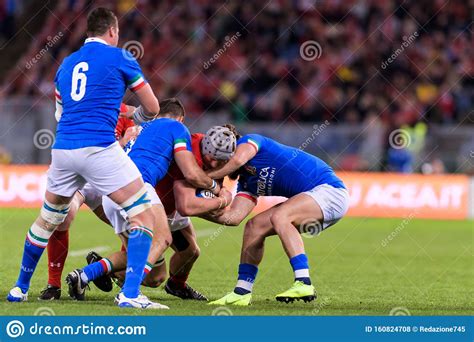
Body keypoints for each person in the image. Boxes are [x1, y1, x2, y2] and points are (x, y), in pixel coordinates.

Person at [7, 7, 163, 309]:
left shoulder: (65, 65)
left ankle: (19, 288)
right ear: (113, 32)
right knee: (142, 214)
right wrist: (140, 119)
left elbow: (61, 114)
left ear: (88, 32)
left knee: (48, 218)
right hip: (99, 147)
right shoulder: (121, 58)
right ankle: (130, 295)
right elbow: (153, 107)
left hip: (64, 149)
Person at [65, 98, 222, 306]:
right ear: (181, 118)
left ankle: (83, 276)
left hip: (112, 192)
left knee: (152, 272)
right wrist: (215, 188)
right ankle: (130, 294)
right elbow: (191, 174)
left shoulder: (139, 129)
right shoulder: (177, 128)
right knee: (163, 238)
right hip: (137, 185)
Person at [84, 126, 237, 300]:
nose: (216, 164)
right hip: (148, 206)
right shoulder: (190, 151)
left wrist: (217, 199)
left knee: (190, 251)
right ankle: (103, 276)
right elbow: (186, 205)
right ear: (205, 147)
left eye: (221, 161)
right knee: (152, 275)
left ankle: (176, 286)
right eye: (213, 158)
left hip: (167, 210)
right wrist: (221, 199)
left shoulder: (214, 153)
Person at [204, 130, 349, 305]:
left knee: (281, 216)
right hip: (316, 198)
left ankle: (304, 282)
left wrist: (205, 179)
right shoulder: (246, 182)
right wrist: (200, 209)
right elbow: (233, 218)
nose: (214, 163)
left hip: (330, 191)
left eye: (218, 158)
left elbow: (238, 160)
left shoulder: (251, 141)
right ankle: (242, 291)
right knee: (254, 227)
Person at [39, 104, 140, 300]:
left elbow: (128, 152)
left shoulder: (127, 113)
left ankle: (104, 270)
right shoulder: (80, 107)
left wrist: (129, 139)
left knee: (133, 223)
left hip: (108, 179)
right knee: (63, 217)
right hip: (80, 175)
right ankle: (53, 284)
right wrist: (122, 142)